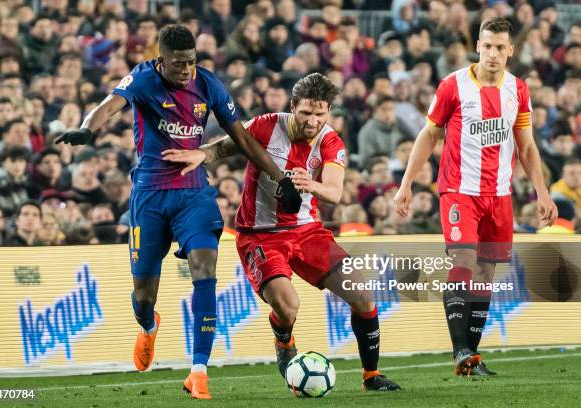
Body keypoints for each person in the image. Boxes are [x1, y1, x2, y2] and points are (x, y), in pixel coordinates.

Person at [55, 24, 302, 400]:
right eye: (178, 64)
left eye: (191, 62)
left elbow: (242, 138)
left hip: (193, 194)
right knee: (143, 295)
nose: (186, 70)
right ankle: (148, 326)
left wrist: (280, 177)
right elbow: (109, 105)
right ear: (160, 60)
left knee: (205, 270)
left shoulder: (208, 84)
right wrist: (88, 129)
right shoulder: (142, 78)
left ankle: (199, 371)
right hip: (150, 197)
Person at [163, 73, 401, 392]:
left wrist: (310, 184)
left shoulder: (331, 141)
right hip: (259, 236)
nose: (313, 121)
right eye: (306, 113)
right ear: (293, 107)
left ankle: (371, 376)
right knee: (288, 306)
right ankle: (283, 337)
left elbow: (333, 191)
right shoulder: (265, 125)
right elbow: (225, 147)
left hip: (306, 231)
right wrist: (200, 154)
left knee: (362, 294)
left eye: (320, 114)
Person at [394, 17, 557, 376]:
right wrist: (406, 184)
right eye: (487, 46)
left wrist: (541, 192)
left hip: (499, 195)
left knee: (485, 273)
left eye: (501, 47)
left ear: (510, 50)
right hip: (459, 192)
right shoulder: (453, 85)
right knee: (463, 263)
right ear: (478, 46)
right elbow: (428, 135)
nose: (493, 53)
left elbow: (526, 146)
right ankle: (461, 351)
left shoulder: (519, 90)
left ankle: (471, 356)